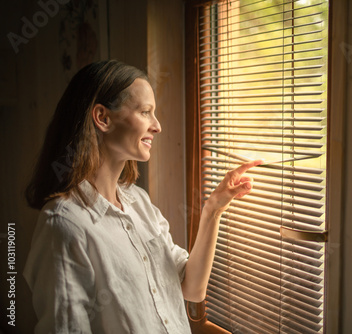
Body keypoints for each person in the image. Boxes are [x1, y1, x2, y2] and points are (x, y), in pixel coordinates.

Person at [23, 59, 261, 333]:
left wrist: (213, 209)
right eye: (146, 112)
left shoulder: (139, 203)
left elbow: (192, 288)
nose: (157, 126)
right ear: (102, 118)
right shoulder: (65, 224)